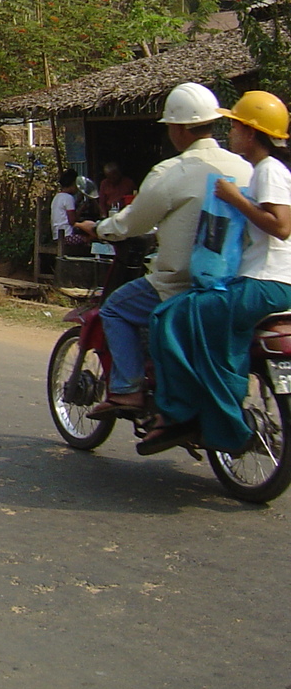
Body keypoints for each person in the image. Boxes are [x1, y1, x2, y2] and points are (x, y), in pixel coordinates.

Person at [74, 82, 253, 420]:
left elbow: (132, 222)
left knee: (113, 310)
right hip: (234, 281)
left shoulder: (172, 171)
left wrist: (98, 229)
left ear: (179, 128)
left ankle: (127, 391)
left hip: (179, 283)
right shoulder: (244, 167)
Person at [141, 91, 291, 455]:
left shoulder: (269, 169)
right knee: (216, 341)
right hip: (261, 282)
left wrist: (233, 198)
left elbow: (281, 226)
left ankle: (180, 413)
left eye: (235, 126)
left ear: (250, 132)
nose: (230, 134)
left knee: (169, 315)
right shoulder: (264, 170)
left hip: (265, 284)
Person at [50, 169, 92, 249]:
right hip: (67, 236)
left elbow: (68, 210)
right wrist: (81, 209)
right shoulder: (68, 198)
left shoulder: (58, 197)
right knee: (90, 239)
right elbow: (72, 221)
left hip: (56, 236)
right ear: (73, 184)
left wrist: (78, 201)